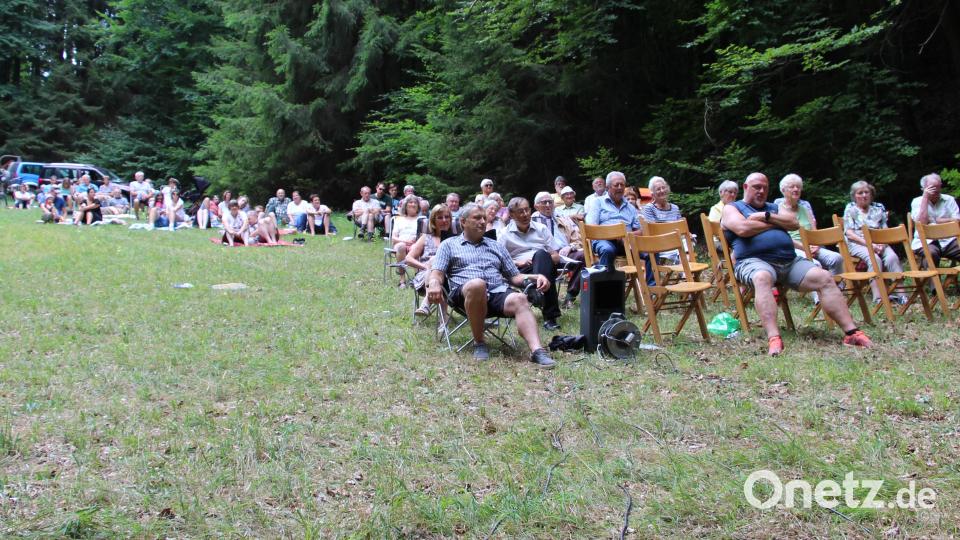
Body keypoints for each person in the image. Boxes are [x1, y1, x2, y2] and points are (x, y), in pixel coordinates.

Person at [722, 172, 873, 355]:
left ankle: (851, 333)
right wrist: (778, 223)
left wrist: (766, 216)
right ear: (746, 187)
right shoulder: (733, 208)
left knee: (824, 277)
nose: (761, 191)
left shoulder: (773, 207)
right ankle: (774, 338)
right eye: (756, 187)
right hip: (753, 261)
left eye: (765, 187)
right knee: (762, 277)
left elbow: (793, 223)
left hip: (789, 261)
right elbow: (742, 228)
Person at [426, 203, 556, 368]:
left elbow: (514, 276)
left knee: (520, 298)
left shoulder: (496, 246)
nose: (482, 222)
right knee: (477, 285)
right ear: (463, 221)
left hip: (496, 293)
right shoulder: (449, 244)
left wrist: (535, 276)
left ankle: (537, 351)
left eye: (484, 218)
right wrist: (434, 284)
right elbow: (437, 273)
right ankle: (479, 342)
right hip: (465, 294)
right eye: (477, 218)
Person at [774, 174, 844, 304]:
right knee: (815, 265)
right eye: (792, 187)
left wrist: (815, 245)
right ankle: (820, 300)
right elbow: (783, 237)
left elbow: (813, 231)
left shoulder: (805, 209)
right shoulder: (777, 210)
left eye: (798, 187)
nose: (796, 189)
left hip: (811, 246)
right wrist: (805, 247)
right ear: (783, 190)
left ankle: (835, 293)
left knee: (836, 258)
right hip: (792, 247)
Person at [499, 197, 563, 330]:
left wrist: (543, 258)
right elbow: (499, 261)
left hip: (544, 265)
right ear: (511, 214)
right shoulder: (505, 234)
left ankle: (536, 293)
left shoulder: (541, 229)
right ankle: (550, 317)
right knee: (542, 263)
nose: (525, 214)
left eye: (527, 210)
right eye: (520, 211)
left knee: (540, 254)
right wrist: (518, 262)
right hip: (521, 271)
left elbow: (556, 256)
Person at [842, 180, 907, 304]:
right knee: (875, 259)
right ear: (854, 196)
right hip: (858, 243)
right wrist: (870, 245)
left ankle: (902, 295)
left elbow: (885, 228)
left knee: (892, 257)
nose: (864, 195)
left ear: (871, 194)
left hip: (880, 241)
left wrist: (882, 243)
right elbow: (849, 233)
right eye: (860, 193)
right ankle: (878, 297)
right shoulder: (850, 208)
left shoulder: (879, 207)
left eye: (866, 192)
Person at [584, 171, 654, 285]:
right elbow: (592, 228)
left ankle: (651, 289)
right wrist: (614, 234)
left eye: (622, 185)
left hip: (628, 242)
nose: (620, 188)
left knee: (651, 250)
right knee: (607, 250)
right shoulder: (598, 203)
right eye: (616, 185)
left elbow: (641, 231)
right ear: (607, 187)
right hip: (604, 240)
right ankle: (605, 288)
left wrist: (624, 236)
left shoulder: (630, 207)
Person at [532, 191, 586, 309]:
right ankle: (541, 298)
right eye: (544, 202)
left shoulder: (563, 219)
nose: (548, 205)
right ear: (536, 206)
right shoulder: (531, 222)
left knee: (584, 256)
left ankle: (570, 297)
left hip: (565, 254)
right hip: (545, 256)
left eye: (550, 202)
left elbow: (579, 239)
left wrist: (570, 247)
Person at [407, 204, 453, 319]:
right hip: (425, 278)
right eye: (440, 217)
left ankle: (426, 304)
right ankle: (443, 322)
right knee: (435, 262)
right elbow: (408, 258)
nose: (444, 220)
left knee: (438, 265)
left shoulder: (456, 240)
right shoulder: (426, 238)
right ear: (433, 221)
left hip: (450, 277)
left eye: (447, 217)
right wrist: (425, 266)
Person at [911, 173, 959, 269]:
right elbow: (921, 224)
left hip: (949, 240)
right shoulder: (917, 201)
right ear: (923, 189)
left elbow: (957, 221)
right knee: (931, 254)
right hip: (926, 242)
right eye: (932, 188)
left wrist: (939, 221)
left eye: (938, 187)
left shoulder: (949, 199)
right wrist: (925, 198)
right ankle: (935, 283)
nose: (936, 190)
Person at [391, 195, 423, 287]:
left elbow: (425, 236)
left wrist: (417, 241)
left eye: (415, 203)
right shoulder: (399, 219)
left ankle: (417, 277)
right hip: (400, 244)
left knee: (415, 247)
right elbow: (394, 238)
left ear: (418, 206)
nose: (413, 204)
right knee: (401, 246)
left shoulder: (421, 219)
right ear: (405, 205)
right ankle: (402, 280)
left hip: (416, 244)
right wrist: (404, 241)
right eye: (410, 202)